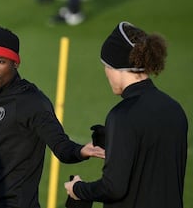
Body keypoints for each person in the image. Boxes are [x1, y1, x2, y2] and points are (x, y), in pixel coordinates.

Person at [0, 26, 104, 208]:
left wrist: (82, 151)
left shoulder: (31, 101)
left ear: (15, 63)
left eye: (0, 61)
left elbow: (61, 146)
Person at [64, 21, 188, 208]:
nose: (106, 73)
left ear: (117, 66)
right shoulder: (175, 109)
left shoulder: (122, 115)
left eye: (106, 66)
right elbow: (155, 165)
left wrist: (78, 189)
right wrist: (116, 145)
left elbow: (113, 187)